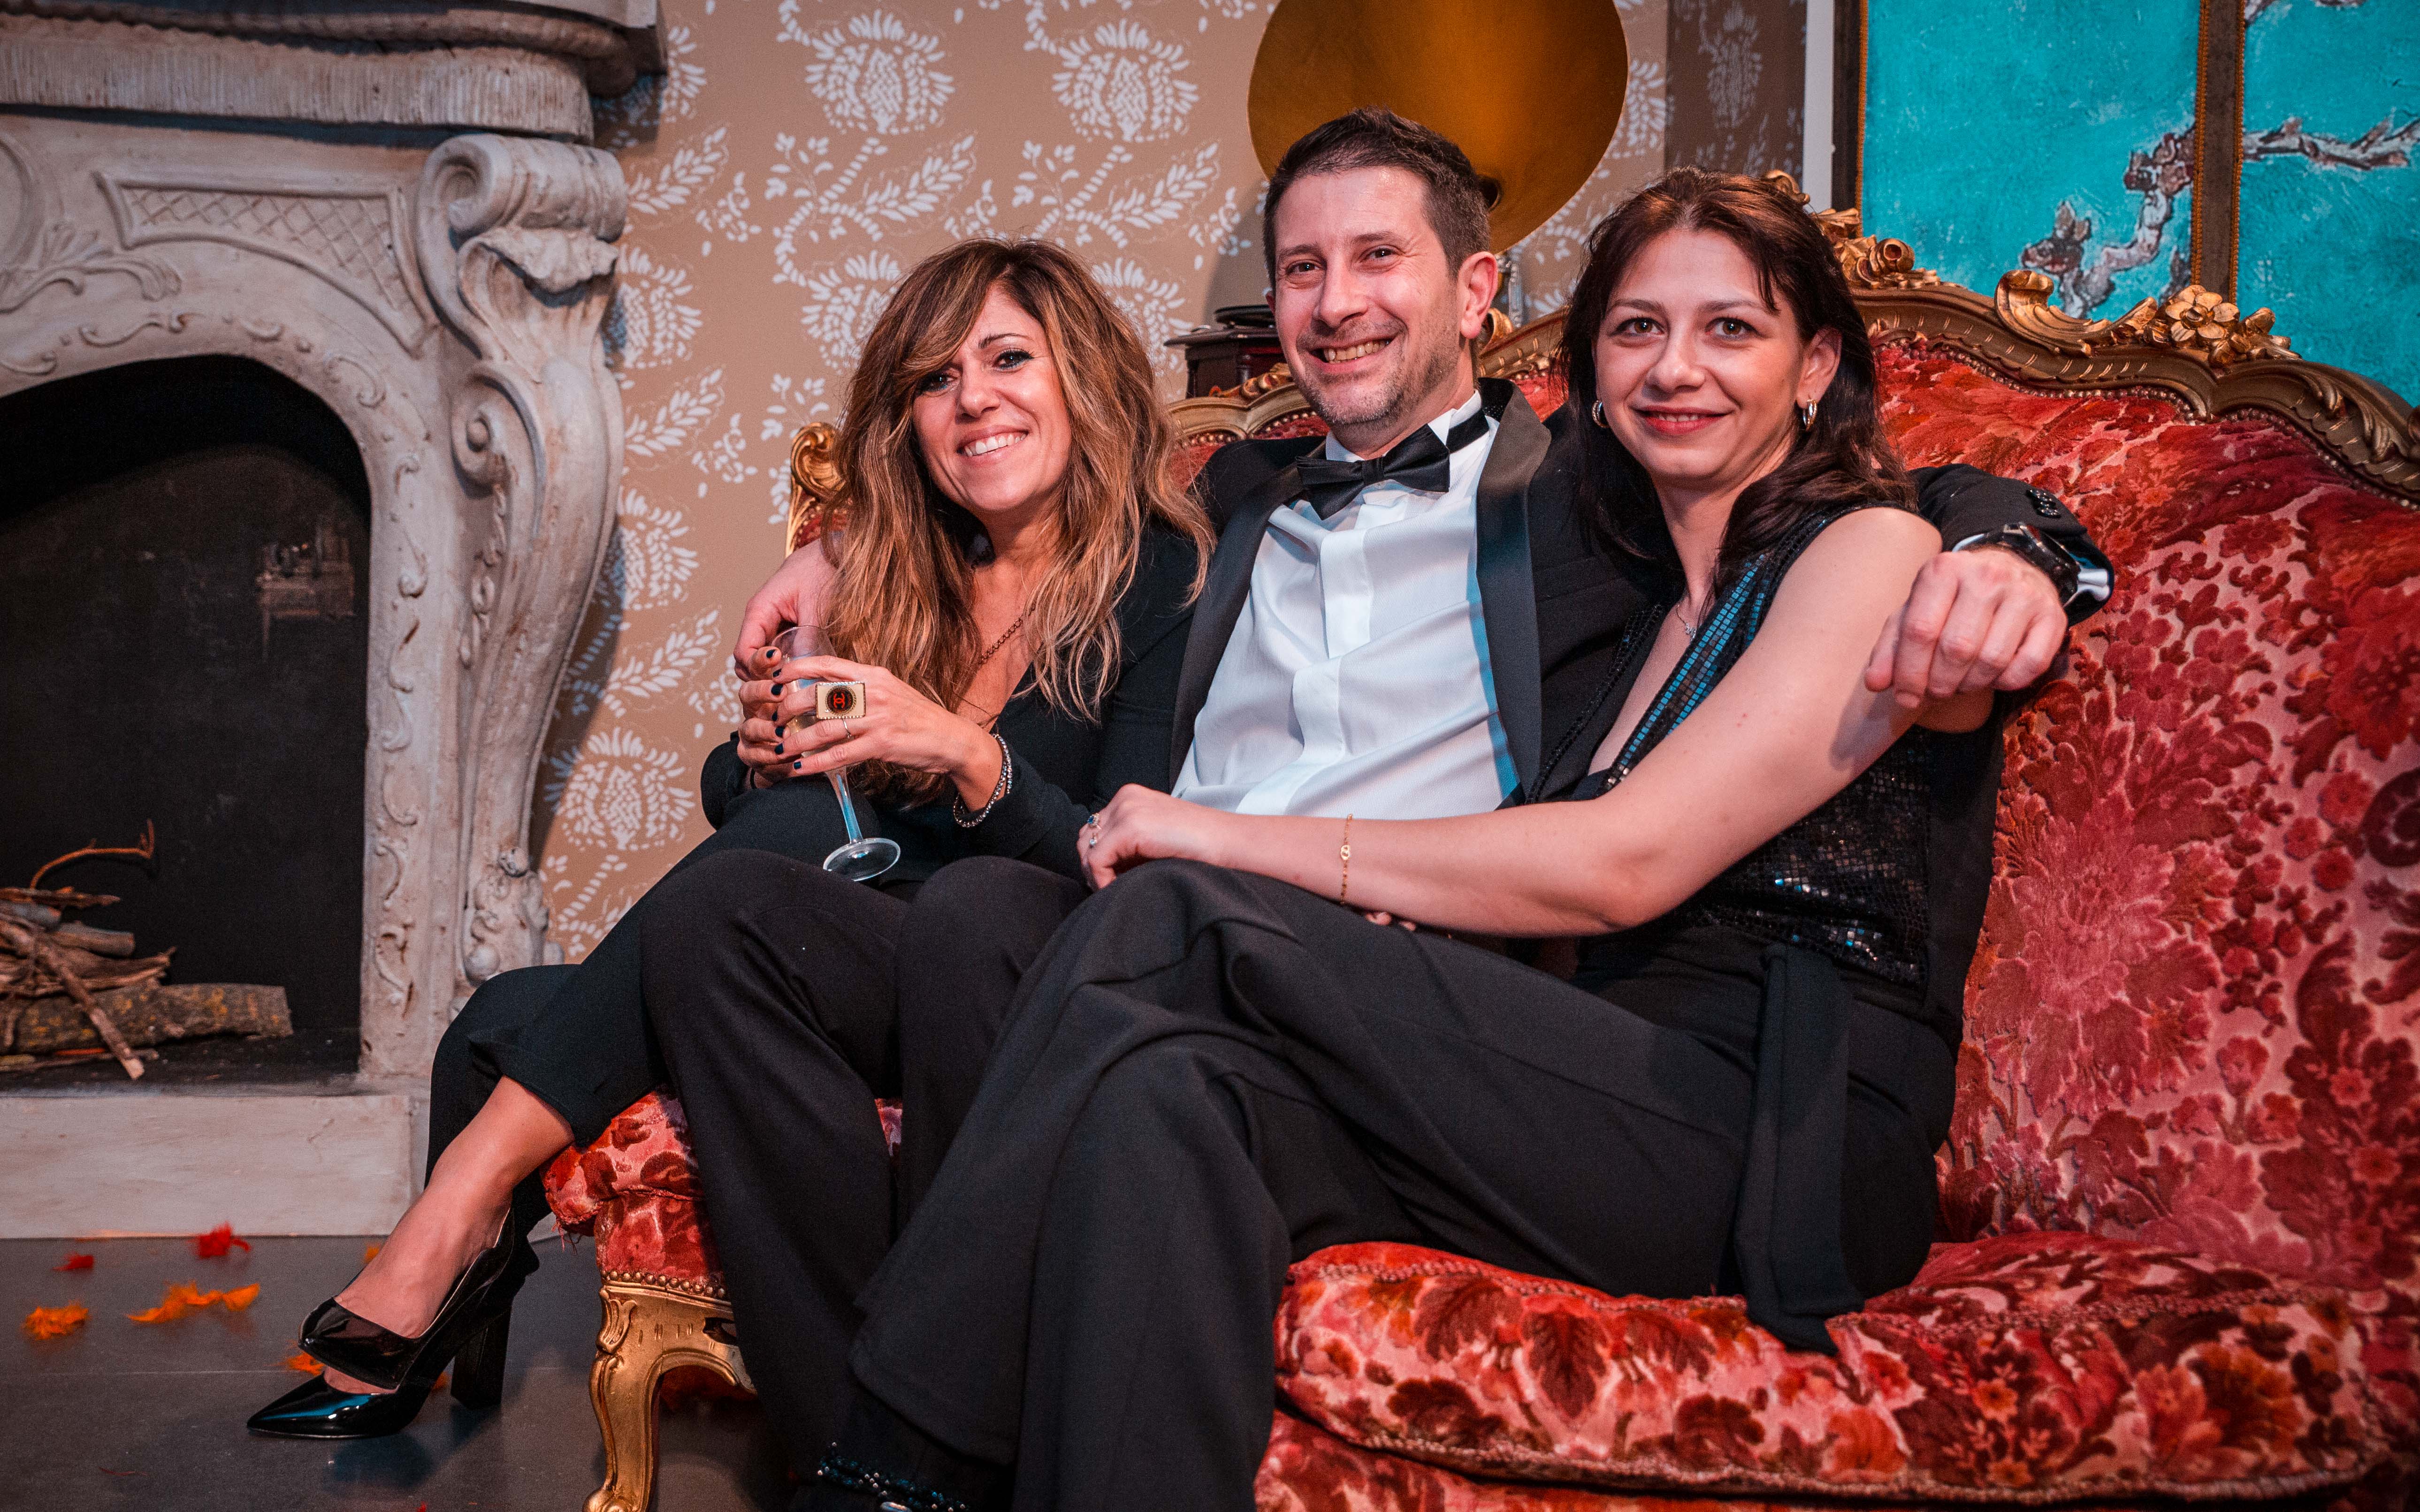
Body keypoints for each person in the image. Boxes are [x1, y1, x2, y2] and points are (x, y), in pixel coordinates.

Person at [767, 136, 2110, 1510]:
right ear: (1589, 371)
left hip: (1778, 1127)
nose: (1673, 368)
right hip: (1582, 1075)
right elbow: (1073, 493)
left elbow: (1621, 864)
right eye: (1634, 331)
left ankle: (891, 1468)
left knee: (1170, 913)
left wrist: (2018, 548)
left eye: (1728, 330)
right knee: (1161, 1102)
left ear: (1813, 363)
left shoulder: (1878, 553)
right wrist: (843, 546)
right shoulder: (1639, 592)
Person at [245, 238, 1212, 1441]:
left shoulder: (1162, 579)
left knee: (726, 891)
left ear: (1082, 378)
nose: (972, 398)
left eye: (1008, 358)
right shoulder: (905, 568)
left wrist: (966, 755)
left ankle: (453, 1218)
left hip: (1000, 969)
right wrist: (751, 755)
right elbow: (780, 809)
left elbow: (1113, 855)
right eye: (934, 378)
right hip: (818, 951)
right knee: (496, 1021)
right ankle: (461, 1329)